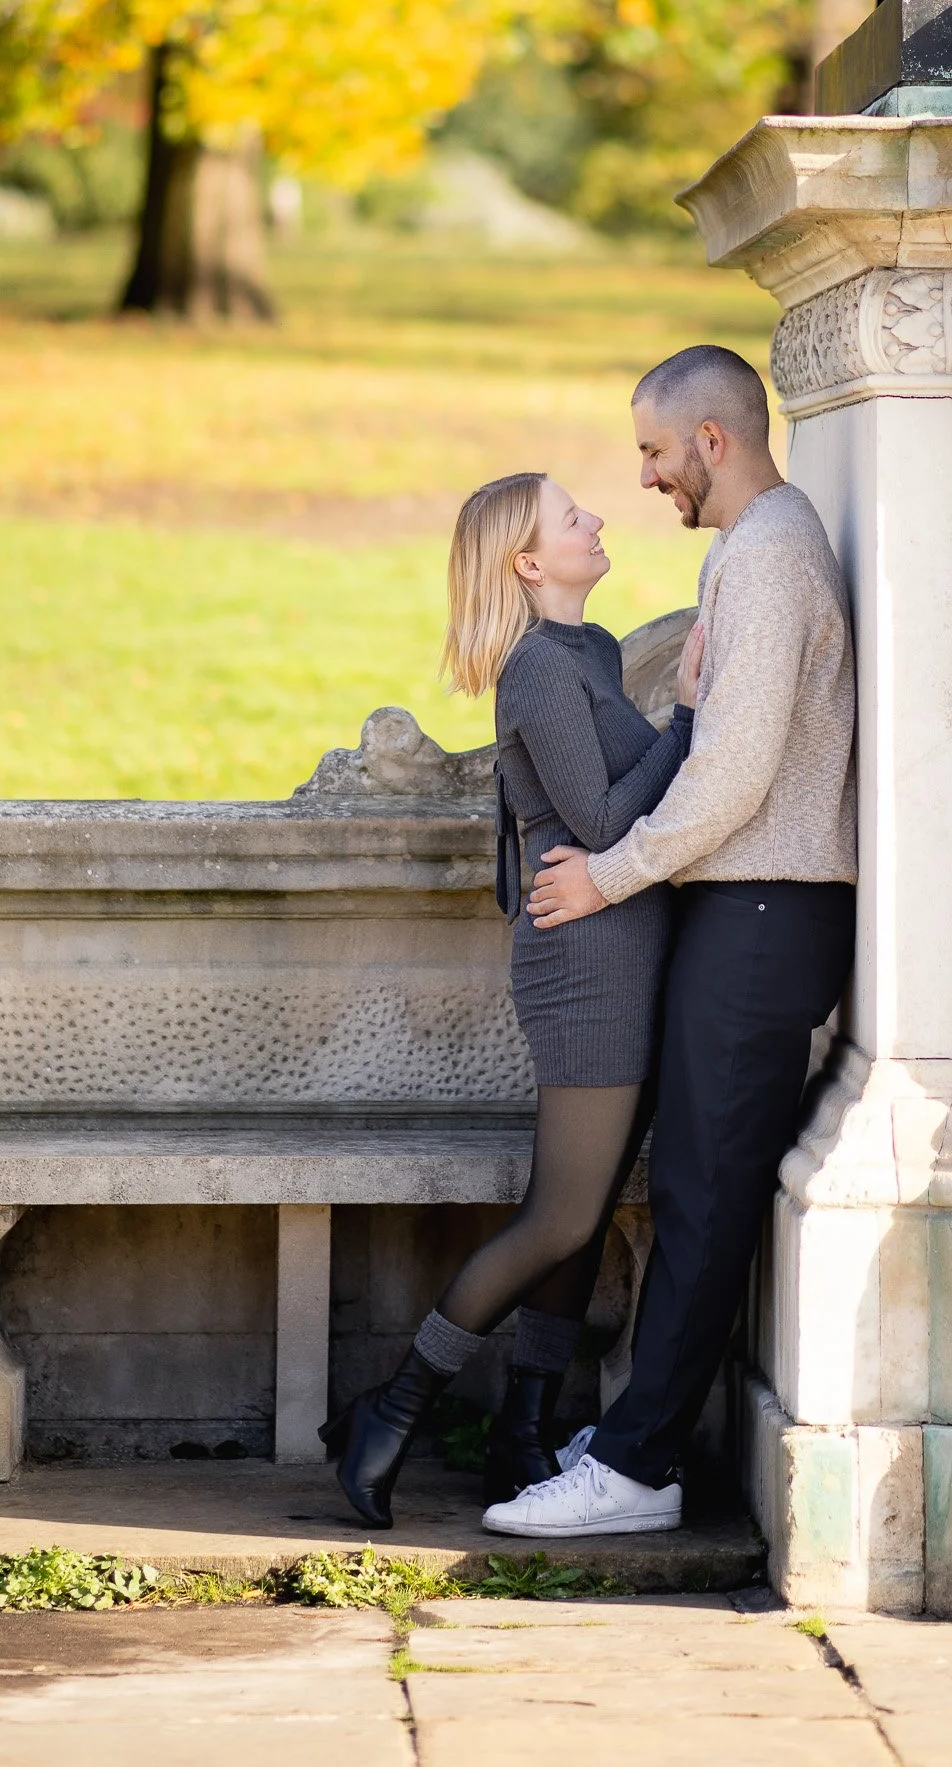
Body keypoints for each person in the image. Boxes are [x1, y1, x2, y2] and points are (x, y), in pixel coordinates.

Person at [483, 345, 855, 1539]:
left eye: (652, 450)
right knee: (693, 1183)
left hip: (764, 908)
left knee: (701, 1194)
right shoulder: (755, 551)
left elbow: (733, 773)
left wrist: (611, 873)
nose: (642, 477)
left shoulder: (770, 556)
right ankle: (640, 1431)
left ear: (711, 440)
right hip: (743, 905)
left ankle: (638, 1469)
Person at [322, 469, 704, 1529]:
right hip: (584, 964)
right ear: (530, 564)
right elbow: (599, 815)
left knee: (580, 1216)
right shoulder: (538, 666)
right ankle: (391, 1410)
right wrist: (688, 721)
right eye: (569, 514)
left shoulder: (587, 648)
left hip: (619, 953)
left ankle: (523, 1427)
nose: (593, 517)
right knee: (562, 1214)